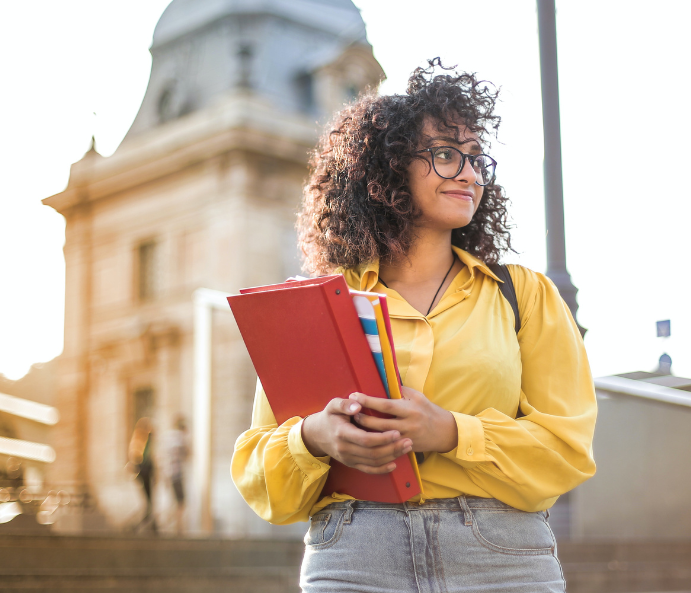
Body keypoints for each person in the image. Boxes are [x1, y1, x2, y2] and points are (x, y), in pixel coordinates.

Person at [231, 59, 597, 592]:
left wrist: (450, 432)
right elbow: (261, 474)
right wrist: (315, 437)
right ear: (388, 169)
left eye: (476, 159)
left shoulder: (524, 295)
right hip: (355, 556)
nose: (469, 174)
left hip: (501, 557)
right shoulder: (321, 307)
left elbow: (567, 450)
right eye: (446, 155)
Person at [162, 415, 190, 534]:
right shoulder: (179, 438)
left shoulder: (168, 437)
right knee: (180, 502)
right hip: (177, 474)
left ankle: (173, 525)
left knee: (174, 500)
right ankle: (178, 527)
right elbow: (187, 453)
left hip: (168, 473)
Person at [128, 417, 157, 533]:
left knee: (149, 500)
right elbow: (136, 458)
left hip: (147, 473)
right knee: (148, 500)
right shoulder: (138, 441)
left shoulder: (146, 442)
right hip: (144, 472)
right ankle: (149, 524)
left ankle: (152, 524)